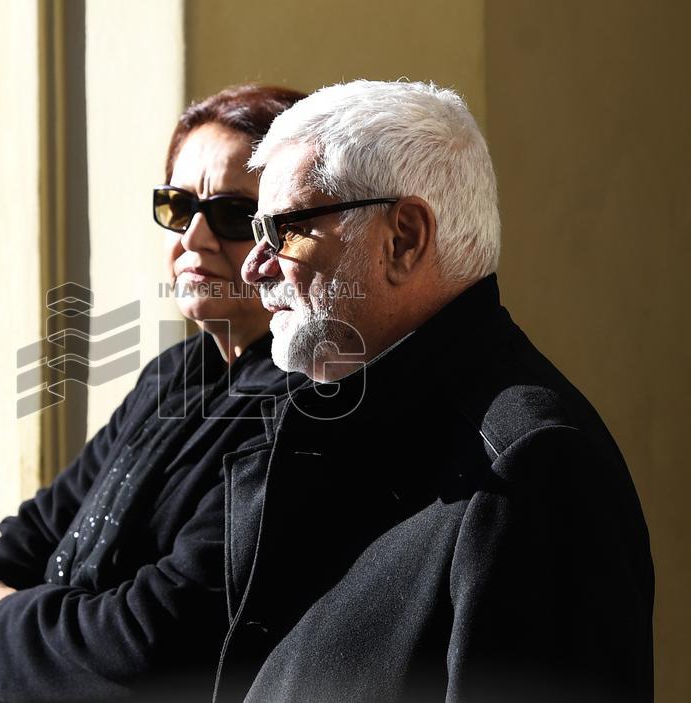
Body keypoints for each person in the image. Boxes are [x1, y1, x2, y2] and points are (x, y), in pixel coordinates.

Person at [212, 79, 654, 702]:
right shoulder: (339, 416)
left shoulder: (530, 470)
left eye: (283, 229)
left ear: (404, 239)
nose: (255, 266)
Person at [0, 84, 305, 703]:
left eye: (234, 214)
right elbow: (35, 531)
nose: (196, 238)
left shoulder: (306, 407)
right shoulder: (173, 375)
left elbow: (157, 638)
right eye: (177, 206)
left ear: (288, 231)